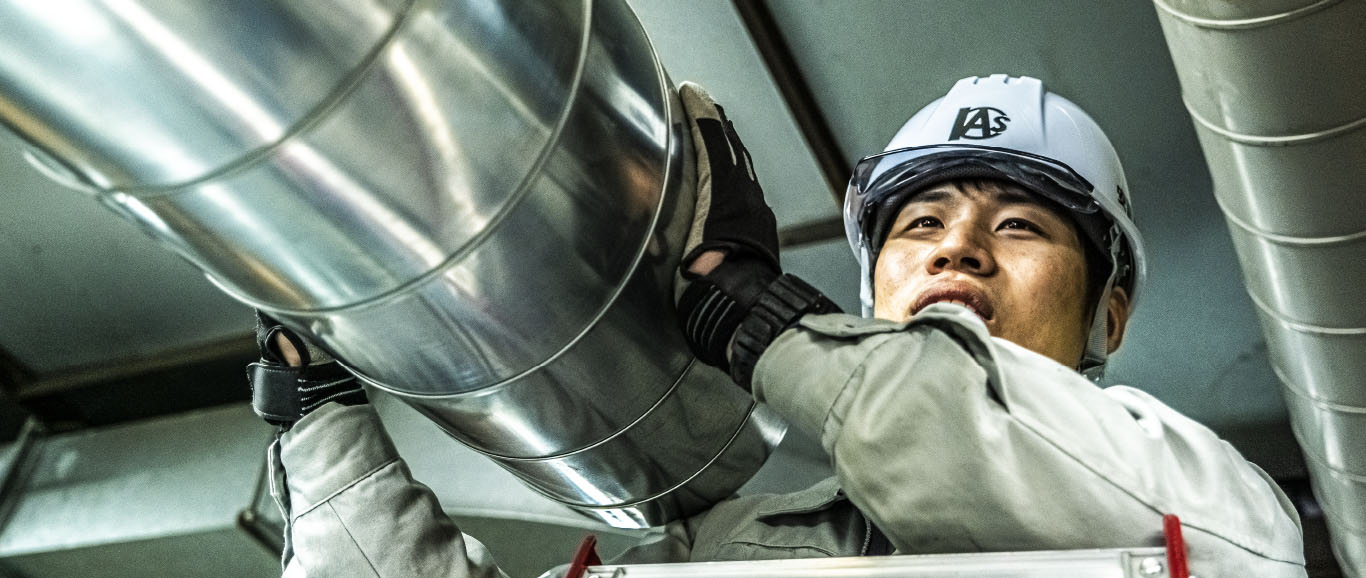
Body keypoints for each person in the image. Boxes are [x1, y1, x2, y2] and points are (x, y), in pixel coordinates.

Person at [248, 75, 1307, 577]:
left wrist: (761, 319)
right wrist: (323, 423)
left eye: (1020, 224)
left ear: (1108, 310)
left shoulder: (1218, 505)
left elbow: (958, 435)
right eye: (921, 223)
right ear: (873, 288)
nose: (957, 248)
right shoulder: (718, 549)